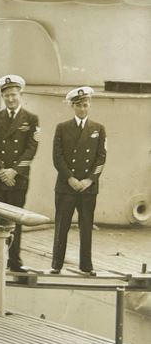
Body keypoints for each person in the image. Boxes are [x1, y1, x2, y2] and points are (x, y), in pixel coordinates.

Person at [0, 75, 39, 273]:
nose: (10, 99)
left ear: (20, 94)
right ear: (2, 96)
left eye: (13, 95)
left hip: (18, 178)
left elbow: (31, 149)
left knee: (15, 220)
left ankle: (14, 260)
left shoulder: (31, 120)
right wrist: (1, 170)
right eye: (6, 95)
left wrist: (14, 171)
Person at [51, 86, 105, 276]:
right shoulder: (62, 128)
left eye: (85, 105)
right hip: (66, 186)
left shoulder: (98, 129)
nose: (82, 109)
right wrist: (70, 178)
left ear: (89, 105)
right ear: (72, 106)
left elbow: (100, 158)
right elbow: (57, 157)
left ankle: (86, 265)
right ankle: (56, 264)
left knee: (86, 226)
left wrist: (89, 180)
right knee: (62, 226)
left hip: (88, 188)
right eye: (78, 105)